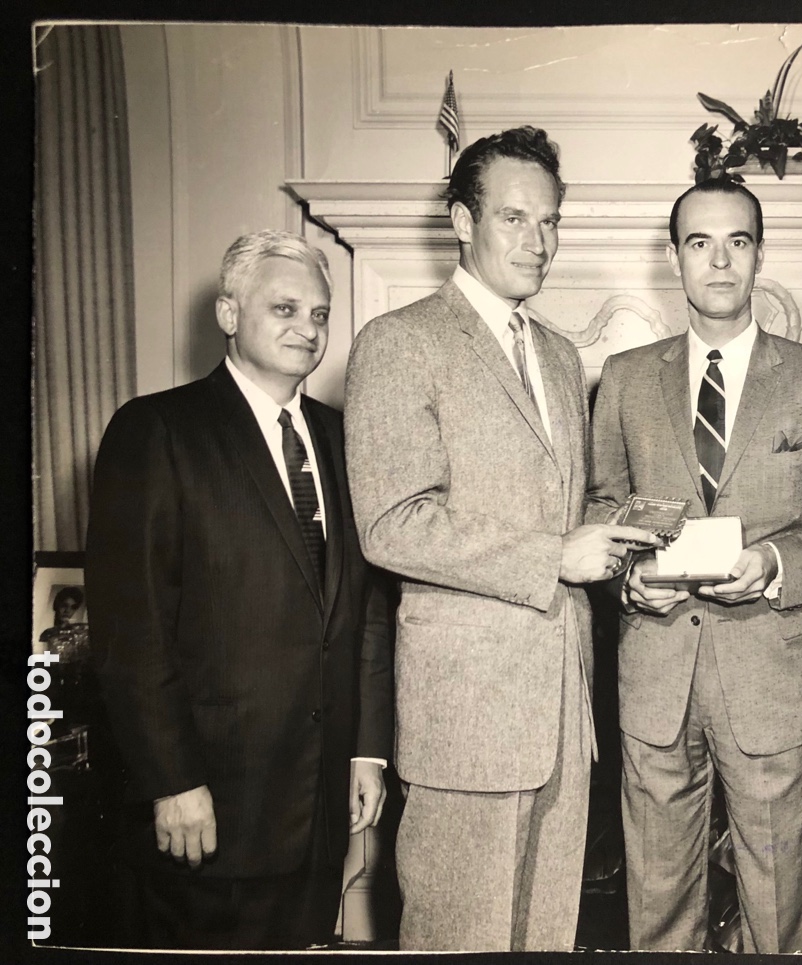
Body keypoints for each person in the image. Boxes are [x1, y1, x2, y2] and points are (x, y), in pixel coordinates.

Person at [343, 126, 656, 952]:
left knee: (546, 935)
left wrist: (626, 535)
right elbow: (391, 521)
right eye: (515, 218)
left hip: (563, 706)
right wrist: (554, 557)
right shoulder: (398, 341)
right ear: (460, 220)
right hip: (467, 718)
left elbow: (568, 503)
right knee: (459, 937)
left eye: (551, 221)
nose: (540, 241)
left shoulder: (555, 352)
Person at [87, 230, 393, 950]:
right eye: (284, 308)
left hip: (317, 812)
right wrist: (171, 780)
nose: (308, 329)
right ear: (228, 313)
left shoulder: (345, 438)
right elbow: (132, 631)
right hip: (209, 810)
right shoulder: (156, 429)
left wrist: (366, 751)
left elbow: (364, 609)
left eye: (319, 314)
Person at [586, 178, 802, 952]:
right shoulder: (628, 377)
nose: (719, 260)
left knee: (780, 906)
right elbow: (601, 507)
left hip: (769, 673)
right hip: (656, 674)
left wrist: (774, 561)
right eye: (700, 242)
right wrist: (625, 577)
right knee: (657, 905)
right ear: (675, 258)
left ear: (759, 255)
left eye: (737, 242)